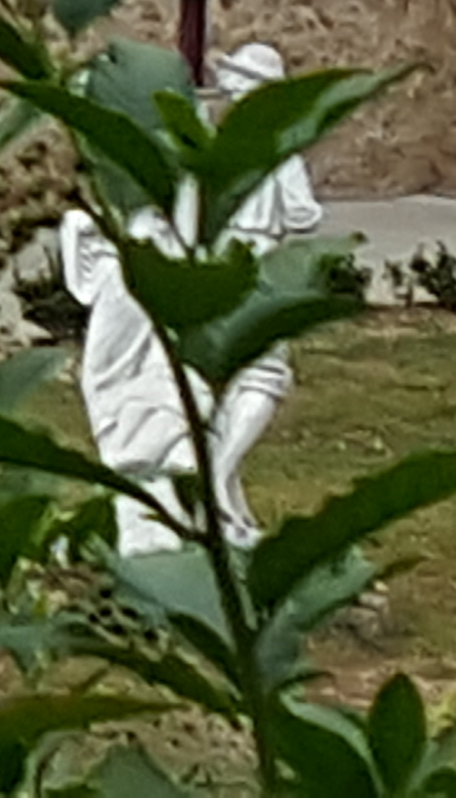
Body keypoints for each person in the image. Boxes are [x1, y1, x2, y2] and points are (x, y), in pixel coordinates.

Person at [56, 41, 324, 555]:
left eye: (241, 81)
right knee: (168, 390)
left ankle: (206, 492)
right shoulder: (203, 159)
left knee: (222, 381)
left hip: (221, 270)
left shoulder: (242, 154)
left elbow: (298, 212)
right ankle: (195, 499)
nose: (229, 89)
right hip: (186, 273)